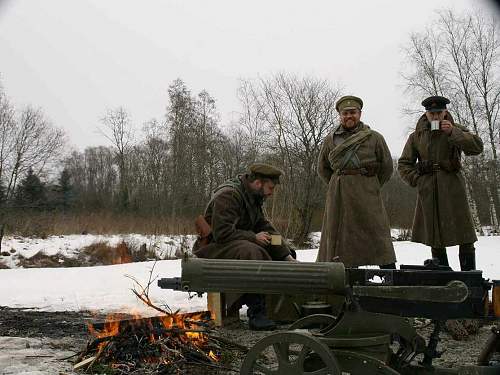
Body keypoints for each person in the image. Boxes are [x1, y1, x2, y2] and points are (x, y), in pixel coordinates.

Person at [193, 163, 296, 330]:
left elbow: (264, 226)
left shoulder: (253, 197)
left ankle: (279, 308)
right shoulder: (228, 196)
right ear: (257, 183)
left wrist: (286, 255)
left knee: (278, 247)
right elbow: (222, 234)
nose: (271, 193)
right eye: (270, 188)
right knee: (252, 251)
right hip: (213, 246)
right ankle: (257, 313)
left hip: (234, 242)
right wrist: (253, 237)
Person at [398, 96, 483, 271]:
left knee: (465, 235)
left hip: (453, 188)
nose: (435, 117)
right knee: (435, 238)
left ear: (445, 112)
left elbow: (477, 147)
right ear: (426, 114)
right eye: (432, 113)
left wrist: (453, 132)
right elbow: (404, 164)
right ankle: (443, 278)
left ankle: (469, 279)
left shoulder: (456, 129)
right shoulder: (416, 136)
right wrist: (417, 180)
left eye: (439, 113)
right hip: (428, 190)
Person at [316, 95, 396, 268]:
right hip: (339, 195)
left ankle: (388, 273)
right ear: (340, 115)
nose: (349, 116)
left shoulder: (375, 138)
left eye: (353, 112)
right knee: (343, 239)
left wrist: (370, 185)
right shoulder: (330, 140)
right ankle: (345, 277)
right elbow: (323, 169)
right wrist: (338, 184)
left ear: (360, 114)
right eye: (345, 113)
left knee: (377, 233)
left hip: (367, 193)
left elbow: (387, 167)